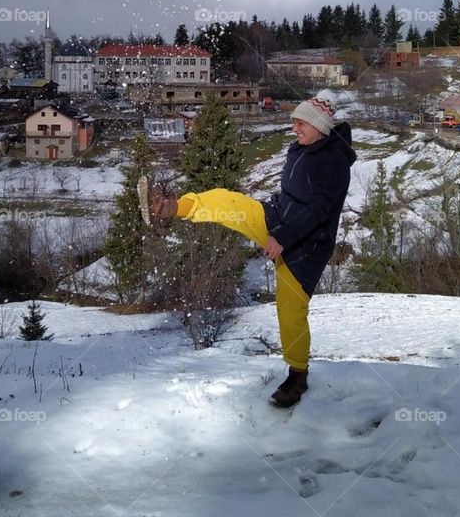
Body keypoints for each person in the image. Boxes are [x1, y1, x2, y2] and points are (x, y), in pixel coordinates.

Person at [138, 91, 356, 407]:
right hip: (276, 219)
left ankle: (297, 378)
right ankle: (168, 208)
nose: (294, 128)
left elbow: (321, 208)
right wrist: (275, 223)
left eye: (300, 123)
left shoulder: (334, 161)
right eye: (294, 122)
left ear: (318, 124)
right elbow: (292, 197)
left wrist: (282, 236)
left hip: (306, 246)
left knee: (291, 313)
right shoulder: (303, 148)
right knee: (228, 201)